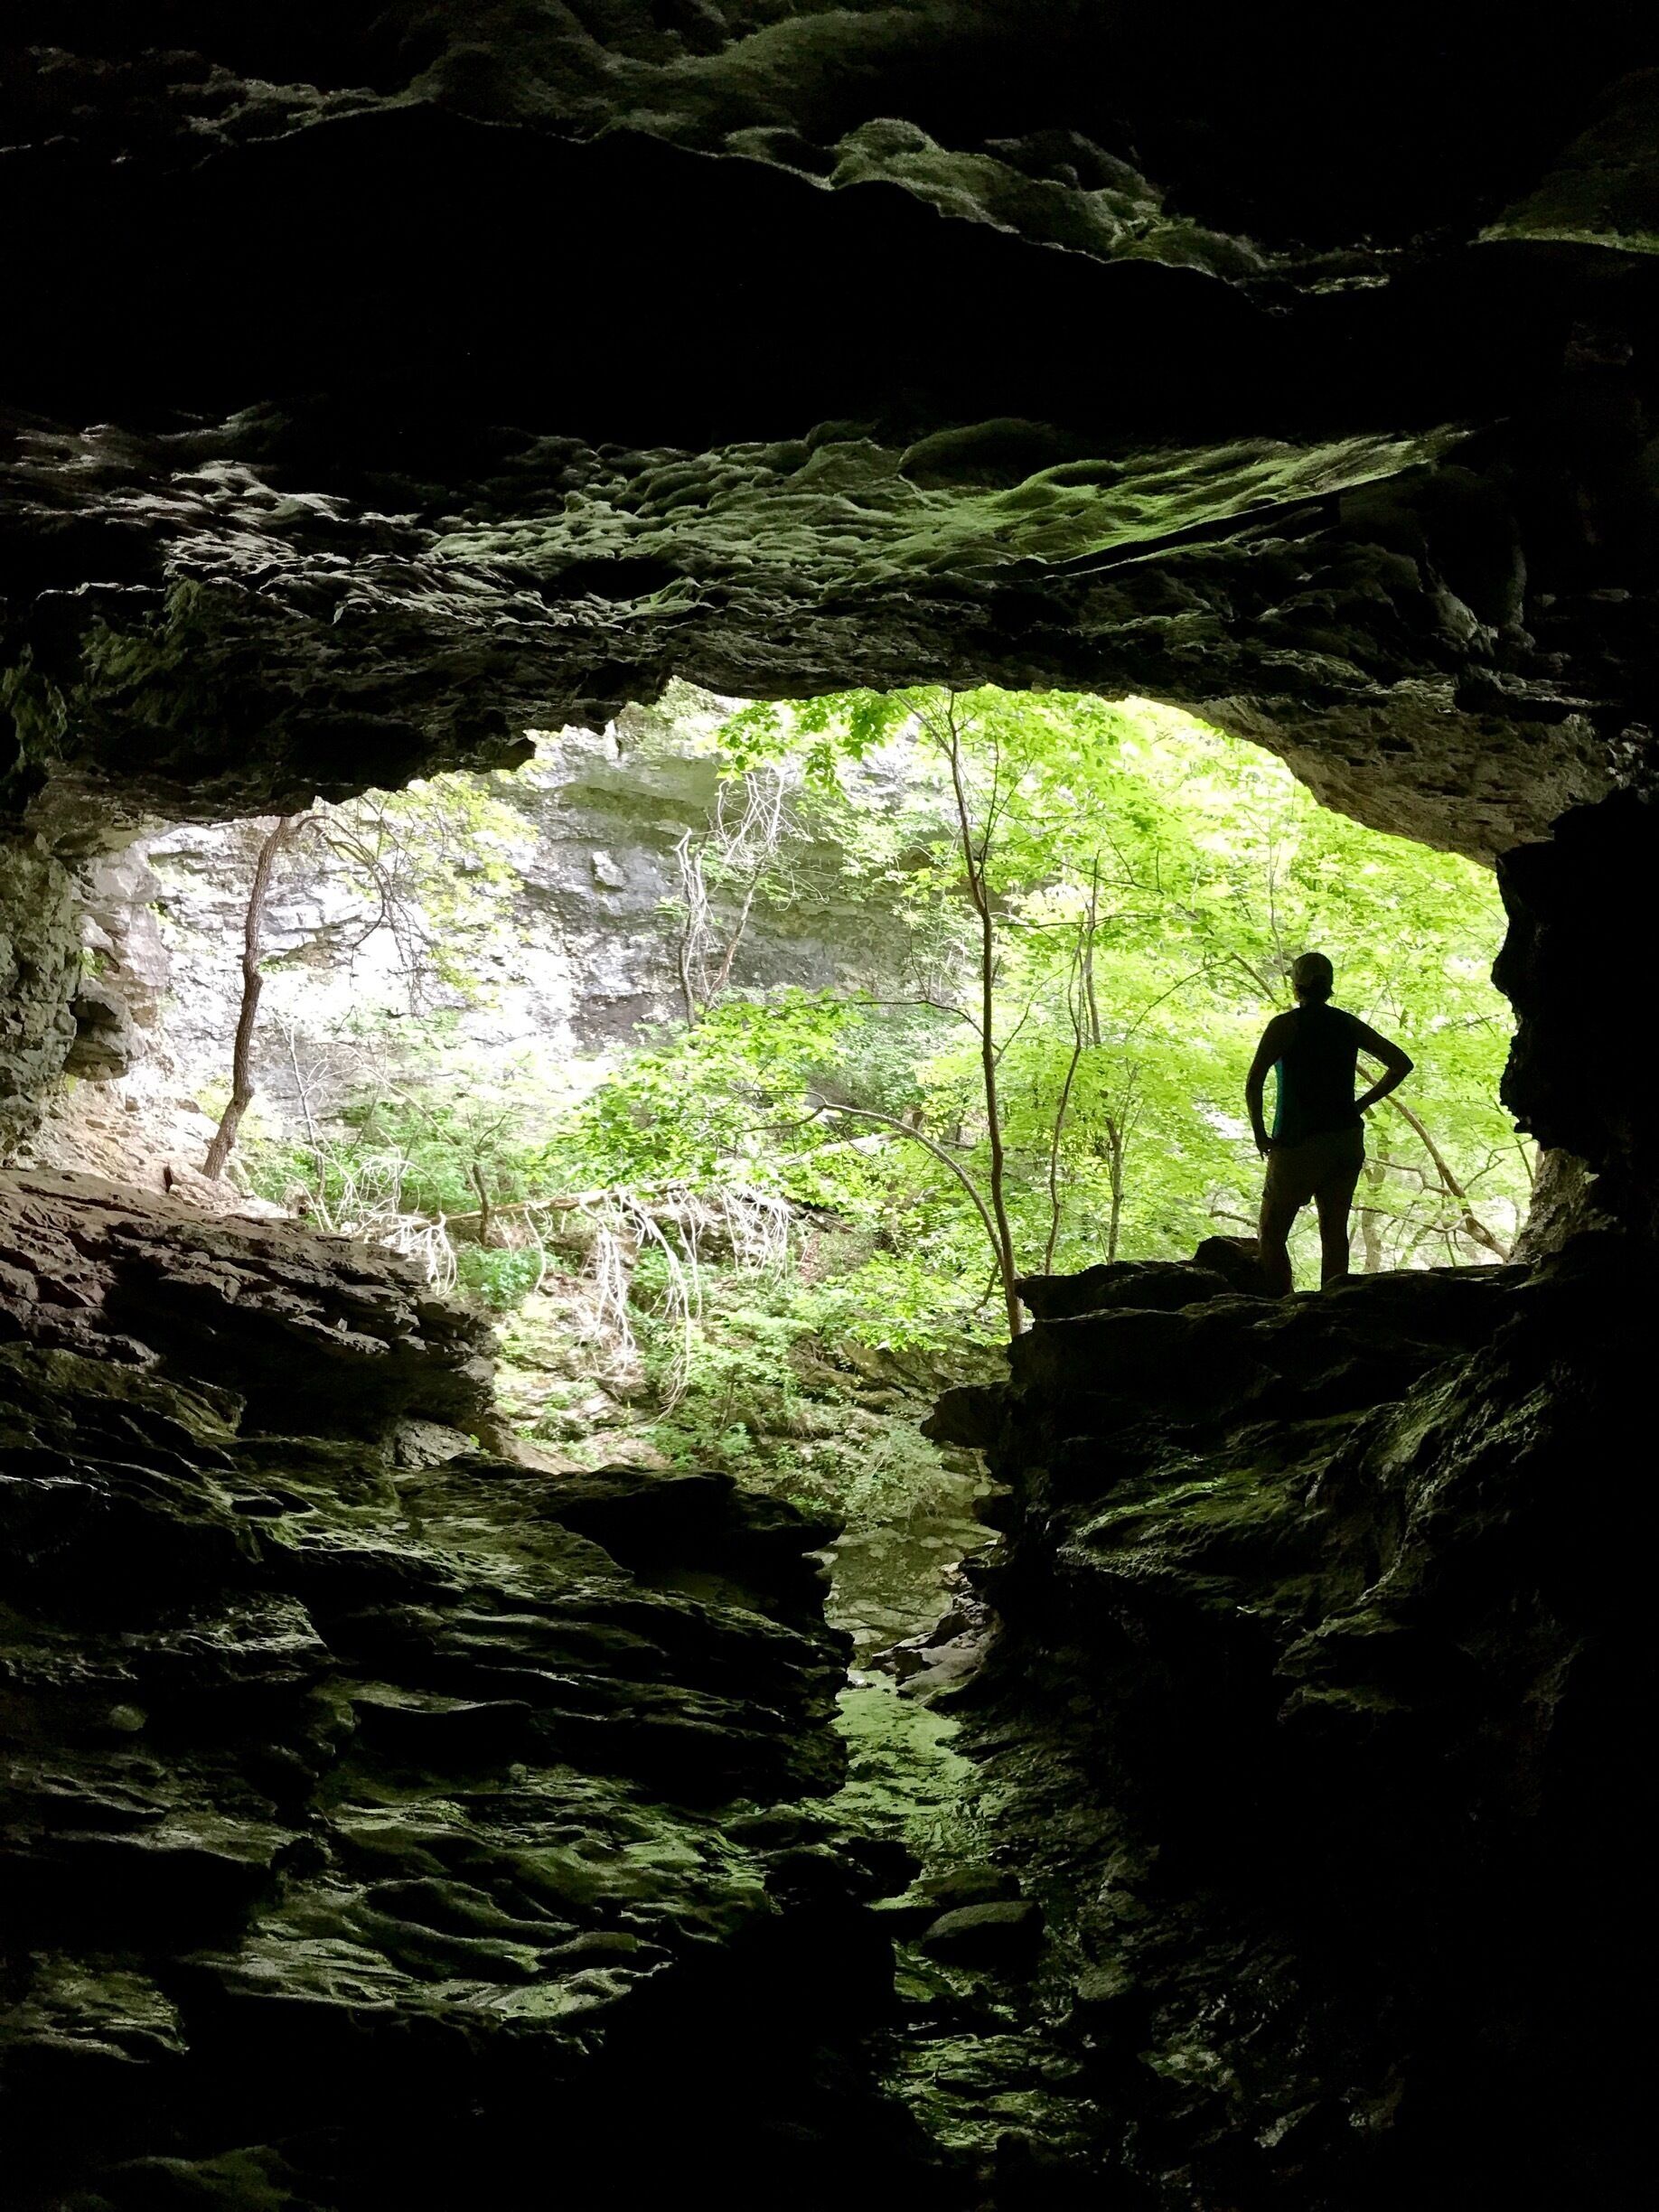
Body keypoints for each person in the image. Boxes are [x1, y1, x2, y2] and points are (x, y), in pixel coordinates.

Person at [1244, 952, 1413, 1297]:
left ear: (1296, 986)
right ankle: (1331, 1308)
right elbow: (1400, 1063)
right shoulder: (1346, 1024)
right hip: (1344, 1141)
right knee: (1334, 1232)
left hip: (1297, 1143)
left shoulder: (1285, 1026)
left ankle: (1280, 1307)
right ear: (1330, 985)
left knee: (1272, 1232)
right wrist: (1360, 1105)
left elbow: (1255, 1080)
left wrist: (1260, 1133)